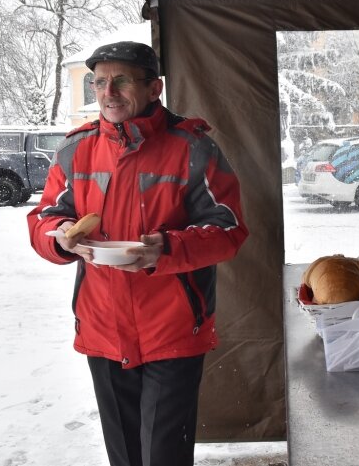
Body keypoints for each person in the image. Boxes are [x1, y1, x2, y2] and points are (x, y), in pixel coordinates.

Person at [27, 41, 249, 466]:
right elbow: (45, 218)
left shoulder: (193, 148)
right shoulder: (76, 150)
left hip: (173, 329)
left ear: (154, 88)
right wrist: (60, 237)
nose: (108, 92)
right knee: (125, 456)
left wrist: (167, 248)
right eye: (100, 82)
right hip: (102, 327)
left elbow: (230, 230)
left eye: (122, 81)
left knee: (163, 455)